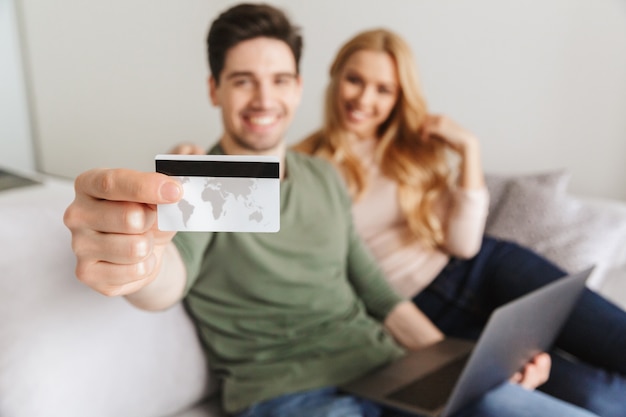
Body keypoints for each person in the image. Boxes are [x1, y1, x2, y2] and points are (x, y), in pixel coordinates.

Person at [63, 4, 599, 417]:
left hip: (389, 368)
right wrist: (138, 265)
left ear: (298, 89)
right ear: (214, 90)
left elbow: (378, 293)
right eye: (242, 79)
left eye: (278, 79)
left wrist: (465, 369)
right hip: (289, 393)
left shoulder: (323, 176)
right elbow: (166, 279)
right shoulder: (202, 178)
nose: (262, 97)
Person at [292, 28, 626, 416]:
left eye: (383, 89)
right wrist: (201, 165)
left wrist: (469, 150)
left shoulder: (413, 151)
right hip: (421, 313)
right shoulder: (303, 166)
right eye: (354, 80)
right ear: (334, 76)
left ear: (399, 96)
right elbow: (226, 184)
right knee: (604, 400)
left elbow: (464, 244)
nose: (364, 99)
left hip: (488, 270)